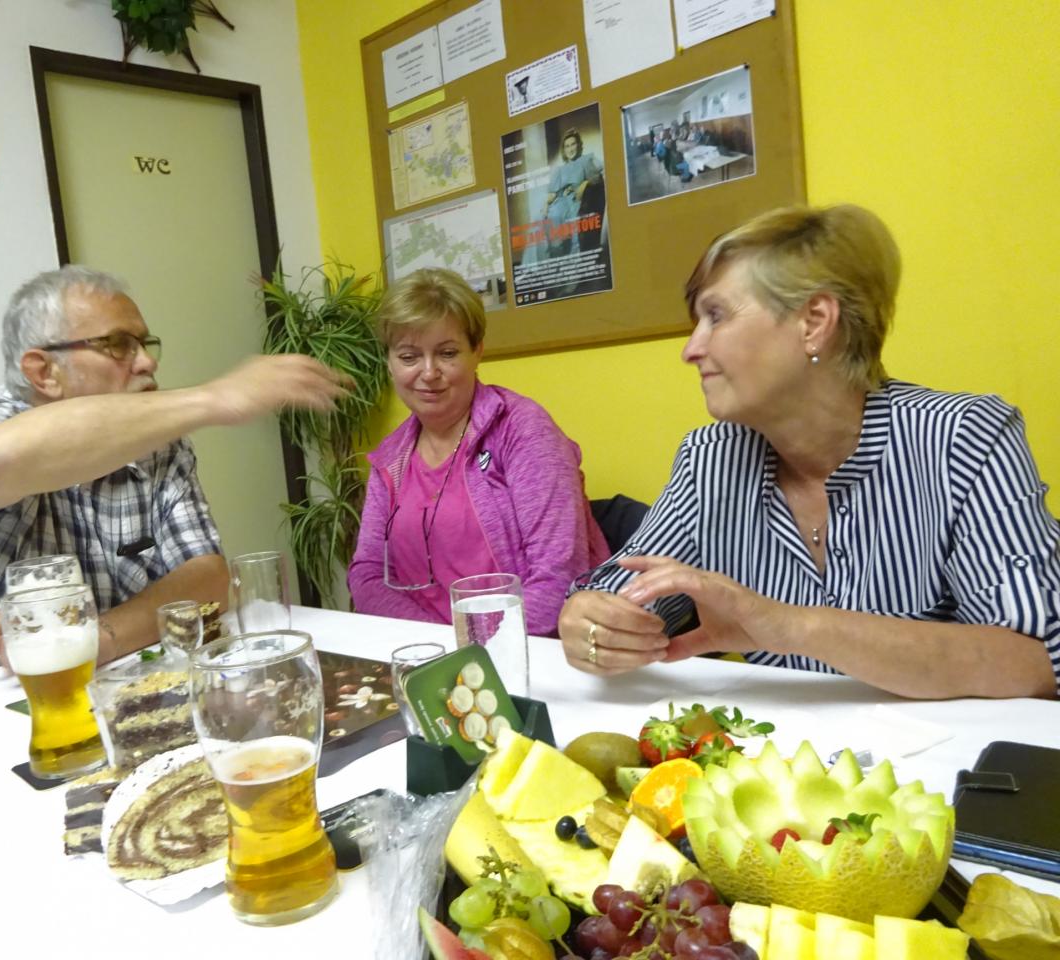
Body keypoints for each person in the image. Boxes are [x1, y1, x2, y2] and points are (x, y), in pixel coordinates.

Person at [559, 204, 1060, 700]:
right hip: (789, 749)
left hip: (946, 750)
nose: (690, 349)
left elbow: (1037, 660)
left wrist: (789, 625)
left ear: (814, 322)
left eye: (716, 316)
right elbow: (621, 596)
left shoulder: (963, 438)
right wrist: (592, 621)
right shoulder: (708, 459)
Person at [0, 266, 344, 701]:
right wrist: (215, 399)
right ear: (44, 372)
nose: (147, 362)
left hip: (85, 695)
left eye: (144, 344)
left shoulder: (161, 445)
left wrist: (93, 637)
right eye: (118, 345)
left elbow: (207, 578)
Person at [348, 268, 608, 636]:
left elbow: (558, 578)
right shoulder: (390, 459)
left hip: (524, 650)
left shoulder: (522, 430)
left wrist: (475, 652)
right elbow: (368, 575)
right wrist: (440, 647)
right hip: (431, 652)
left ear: (477, 352)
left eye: (447, 353)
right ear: (389, 363)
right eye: (409, 357)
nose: (429, 372)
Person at [545, 128, 604, 259]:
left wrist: (585, 183)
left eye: (573, 144)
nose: (570, 149)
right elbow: (552, 194)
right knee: (547, 220)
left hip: (579, 201)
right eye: (567, 146)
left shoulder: (586, 160)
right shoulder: (560, 170)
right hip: (562, 203)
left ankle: (576, 260)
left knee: (574, 223)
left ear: (578, 145)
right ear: (564, 150)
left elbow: (598, 178)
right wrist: (545, 206)